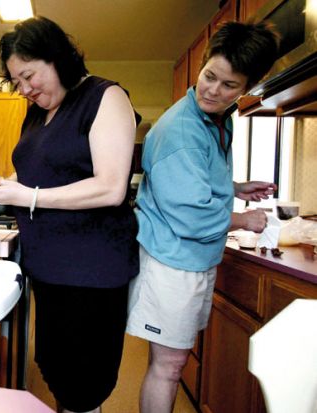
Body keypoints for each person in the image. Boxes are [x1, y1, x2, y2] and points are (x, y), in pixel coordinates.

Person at [0, 16, 140, 413]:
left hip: (91, 271)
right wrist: (4, 183)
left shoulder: (105, 97)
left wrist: (27, 196)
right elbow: (40, 174)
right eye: (16, 82)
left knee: (84, 383)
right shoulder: (37, 113)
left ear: (57, 58)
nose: (25, 89)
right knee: (55, 369)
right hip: (48, 267)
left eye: (29, 75)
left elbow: (111, 186)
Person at [125, 21, 280, 413]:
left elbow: (195, 178)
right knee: (170, 365)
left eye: (229, 85)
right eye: (209, 76)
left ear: (244, 88)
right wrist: (245, 220)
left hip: (190, 260)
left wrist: (236, 187)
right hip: (171, 263)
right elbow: (191, 214)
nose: (213, 90)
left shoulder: (215, 117)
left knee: (169, 363)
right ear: (203, 64)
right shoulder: (181, 130)